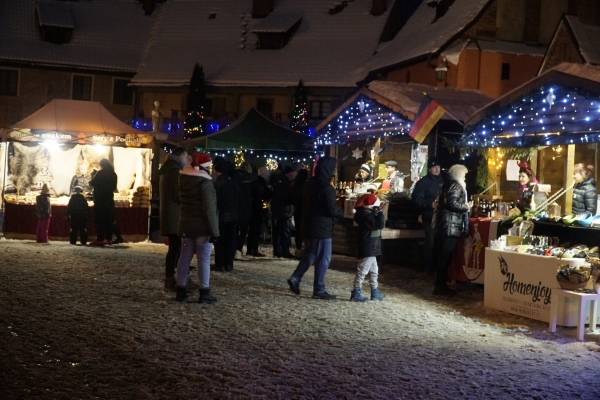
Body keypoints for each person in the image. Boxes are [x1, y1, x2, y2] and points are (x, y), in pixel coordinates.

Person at [287, 156, 344, 300]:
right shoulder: (326, 186)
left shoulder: (310, 183)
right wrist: (341, 213)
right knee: (323, 259)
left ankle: (296, 277)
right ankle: (319, 289)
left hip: (308, 225)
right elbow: (331, 208)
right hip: (322, 228)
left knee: (310, 254)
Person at [175, 152, 219, 304]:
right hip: (203, 227)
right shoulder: (205, 183)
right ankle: (204, 291)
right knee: (204, 259)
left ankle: (180, 290)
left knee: (184, 257)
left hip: (186, 224)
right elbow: (209, 209)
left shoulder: (182, 179)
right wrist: (214, 231)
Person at [431, 164, 472, 297]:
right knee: (445, 257)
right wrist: (466, 207)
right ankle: (440, 286)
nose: (465, 178)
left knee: (445, 256)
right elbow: (452, 203)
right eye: (464, 175)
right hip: (450, 226)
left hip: (447, 225)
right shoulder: (456, 185)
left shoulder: (448, 184)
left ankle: (441, 284)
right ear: (459, 174)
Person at [159, 147, 190, 290]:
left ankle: (173, 278)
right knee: (177, 248)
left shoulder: (168, 169)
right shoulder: (175, 171)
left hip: (170, 214)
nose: (187, 160)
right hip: (175, 215)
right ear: (180, 157)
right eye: (186, 157)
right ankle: (174, 279)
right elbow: (179, 193)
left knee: (175, 247)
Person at [350, 193, 386, 302]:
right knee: (362, 271)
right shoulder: (366, 215)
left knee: (374, 270)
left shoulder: (363, 213)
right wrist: (379, 212)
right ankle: (356, 292)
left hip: (370, 246)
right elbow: (380, 225)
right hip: (368, 246)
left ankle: (375, 291)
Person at [411, 156, 442, 274]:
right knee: (430, 243)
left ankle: (439, 268)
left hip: (442, 218)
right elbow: (416, 200)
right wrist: (430, 204)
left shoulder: (443, 181)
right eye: (434, 167)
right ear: (429, 169)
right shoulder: (423, 183)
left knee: (439, 243)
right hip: (429, 217)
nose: (437, 169)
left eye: (438, 167)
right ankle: (429, 269)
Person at [213, 160, 239, 272]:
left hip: (221, 215)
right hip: (233, 215)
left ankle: (220, 263)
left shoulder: (217, 183)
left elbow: (215, 201)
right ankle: (229, 263)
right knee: (231, 240)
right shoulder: (233, 182)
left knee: (220, 241)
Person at [89, 158, 117, 246]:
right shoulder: (113, 174)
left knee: (100, 220)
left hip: (100, 200)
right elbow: (113, 187)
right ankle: (108, 239)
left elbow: (92, 183)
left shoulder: (100, 173)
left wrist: (92, 177)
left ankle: (100, 239)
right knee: (108, 220)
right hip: (109, 199)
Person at [271, 166, 297, 258]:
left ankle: (277, 251)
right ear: (290, 174)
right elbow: (288, 197)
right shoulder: (286, 184)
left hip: (278, 211)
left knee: (278, 232)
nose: (294, 175)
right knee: (285, 232)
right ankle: (285, 251)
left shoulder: (279, 181)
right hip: (284, 211)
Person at [233, 162, 256, 261]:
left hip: (235, 207)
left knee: (234, 230)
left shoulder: (234, 178)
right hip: (246, 208)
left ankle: (233, 250)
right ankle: (238, 251)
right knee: (243, 231)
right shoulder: (251, 179)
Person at [247, 167, 272, 257]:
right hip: (257, 208)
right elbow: (264, 195)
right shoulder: (261, 184)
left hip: (252, 208)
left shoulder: (253, 182)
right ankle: (254, 249)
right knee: (256, 230)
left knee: (252, 230)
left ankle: (250, 249)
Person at [291, 168, 309, 258]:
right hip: (304, 210)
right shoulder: (307, 186)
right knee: (304, 230)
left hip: (297, 210)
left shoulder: (295, 184)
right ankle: (304, 249)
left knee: (298, 229)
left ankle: (298, 248)